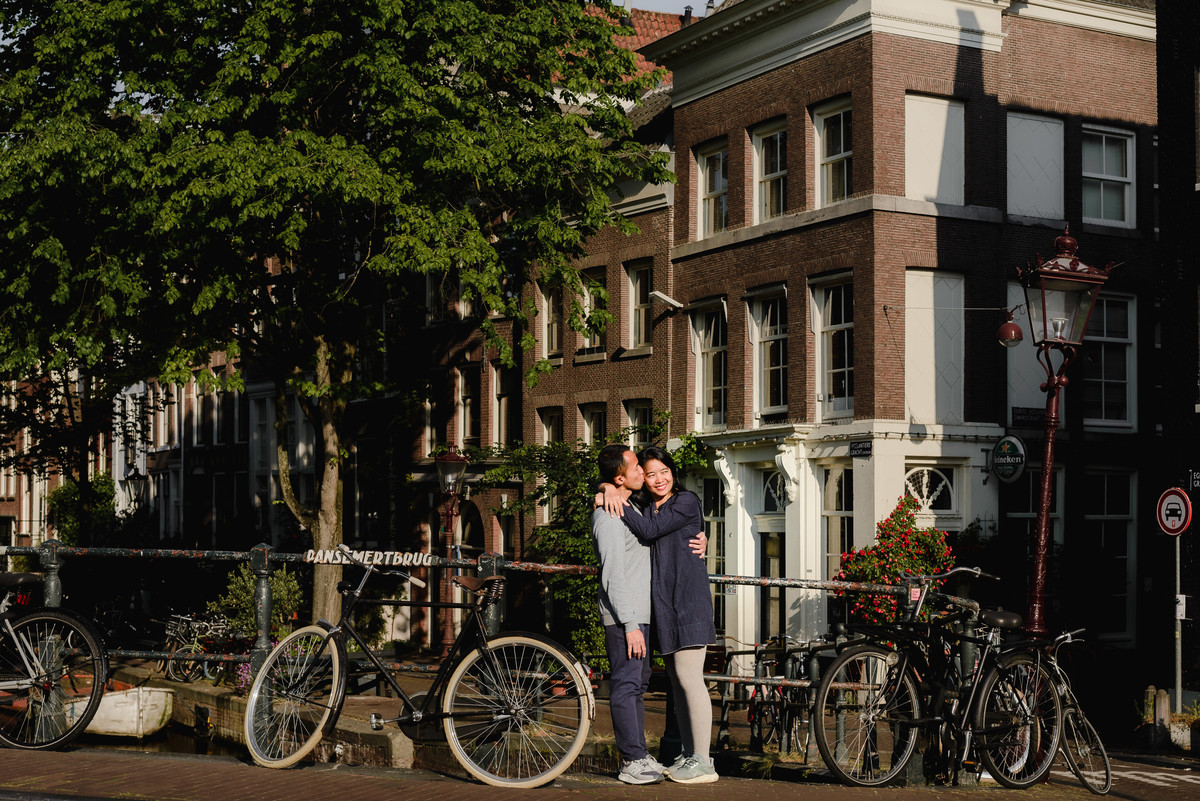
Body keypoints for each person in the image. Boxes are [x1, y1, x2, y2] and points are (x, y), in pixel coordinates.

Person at [601, 446, 719, 784]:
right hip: (663, 607)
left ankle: (702, 759)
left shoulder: (684, 502)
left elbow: (650, 532)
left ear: (672, 471)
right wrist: (605, 488)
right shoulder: (646, 507)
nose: (657, 478)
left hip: (688, 602)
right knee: (679, 684)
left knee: (690, 678)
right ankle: (687, 753)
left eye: (662, 471)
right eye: (650, 473)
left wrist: (612, 496)